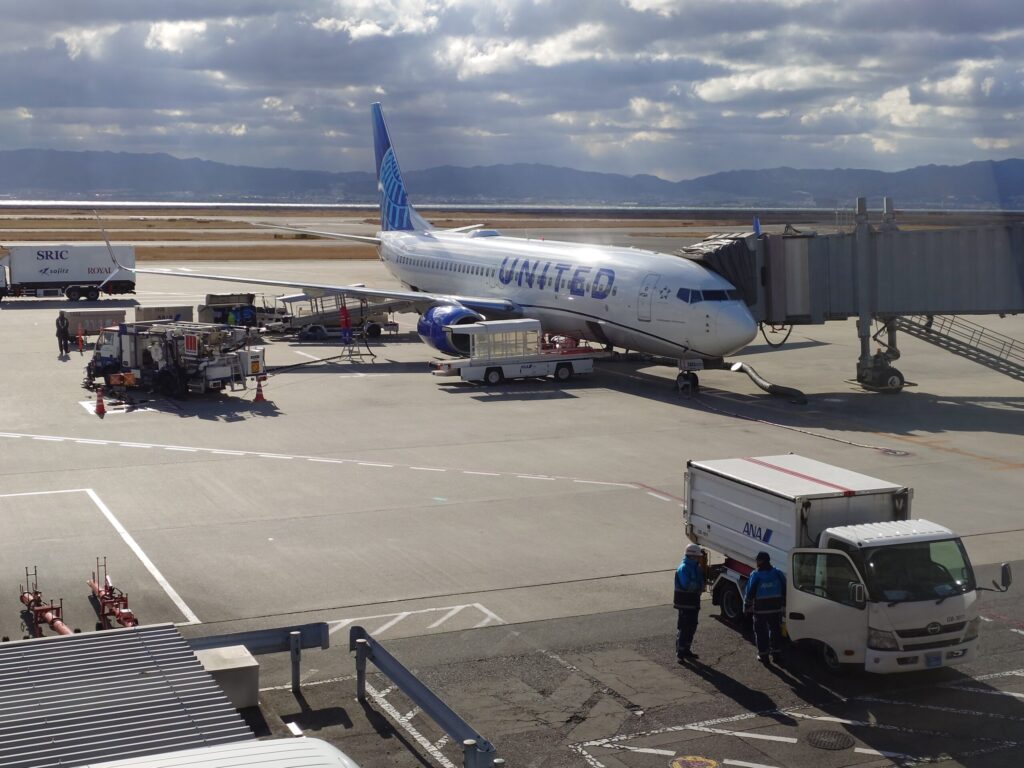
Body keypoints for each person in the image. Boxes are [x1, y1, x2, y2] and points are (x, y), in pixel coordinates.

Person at [744, 551, 786, 664]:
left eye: (757, 560)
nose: (756, 562)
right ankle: (776, 655)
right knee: (775, 631)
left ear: (761, 561)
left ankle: (764, 656)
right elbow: (785, 588)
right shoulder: (777, 573)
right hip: (775, 609)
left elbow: (750, 592)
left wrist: (746, 606)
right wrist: (784, 604)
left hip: (760, 610)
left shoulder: (756, 575)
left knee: (761, 632)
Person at [674, 542, 705, 662]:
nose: (699, 558)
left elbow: (700, 581)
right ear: (692, 555)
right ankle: (680, 653)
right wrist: (698, 587)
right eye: (697, 556)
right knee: (684, 627)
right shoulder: (684, 568)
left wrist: (700, 587)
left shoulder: (696, 567)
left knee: (692, 626)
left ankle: (686, 650)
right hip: (685, 603)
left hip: (693, 601)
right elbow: (687, 585)